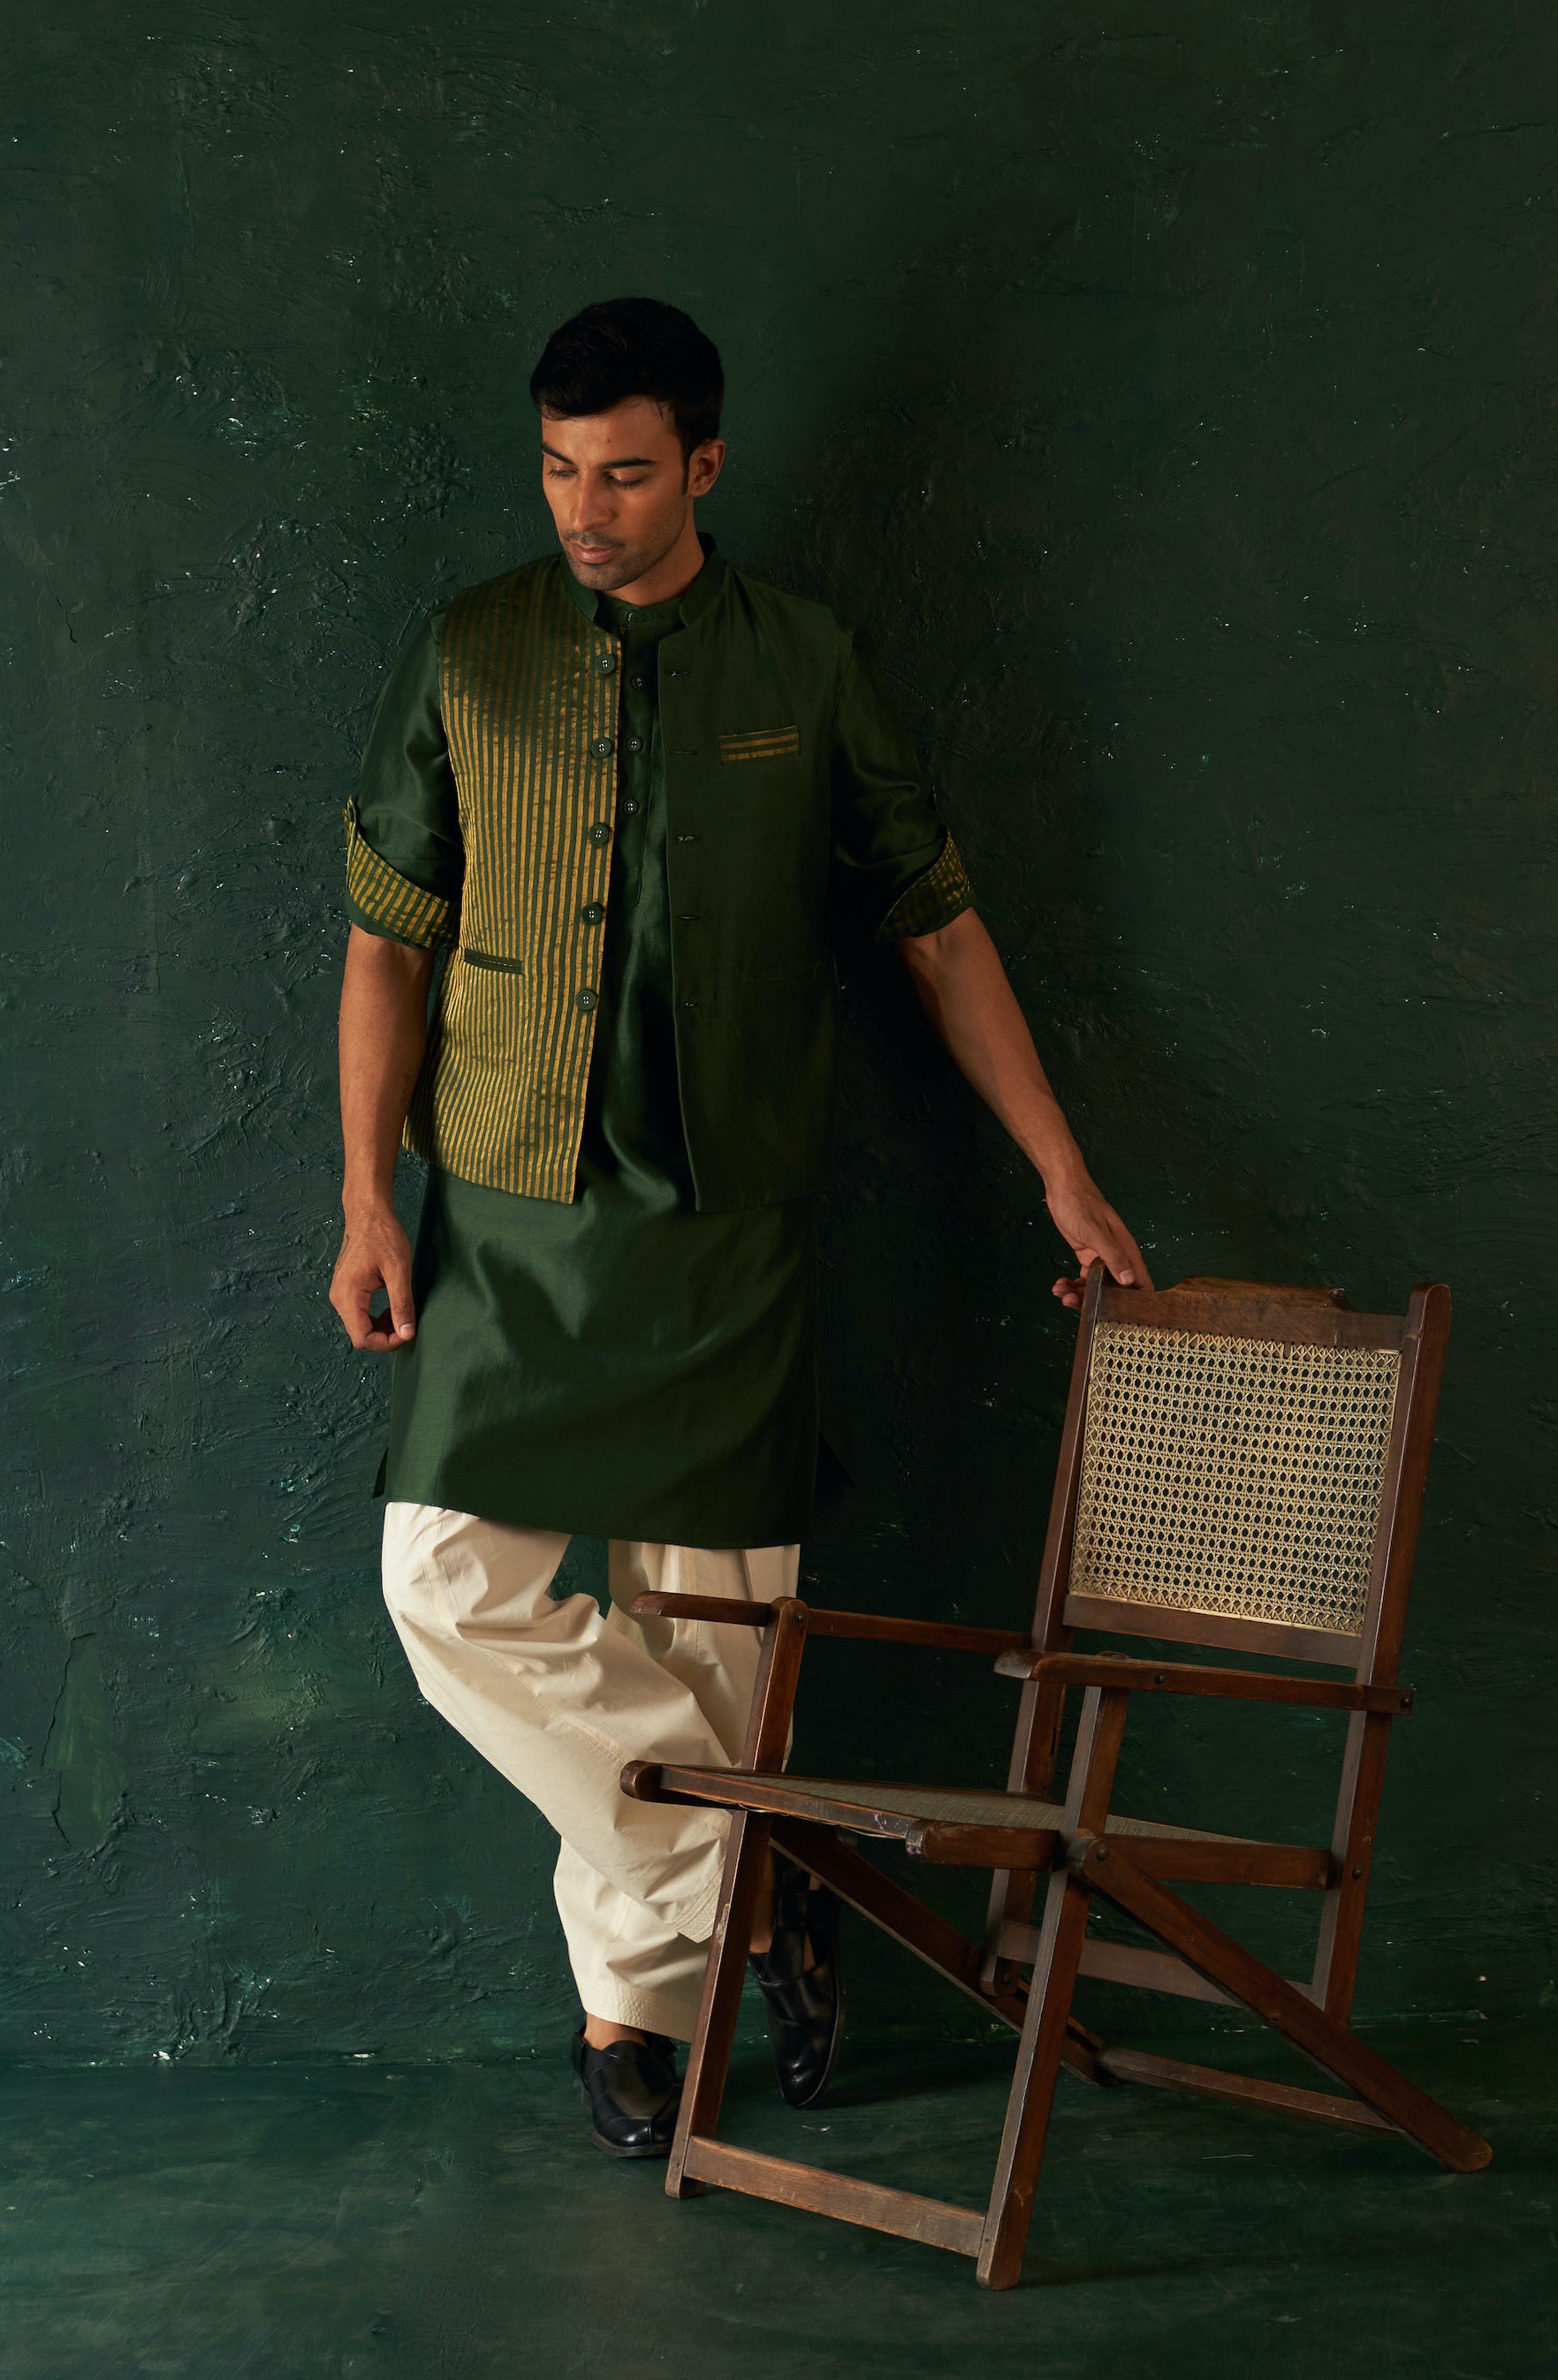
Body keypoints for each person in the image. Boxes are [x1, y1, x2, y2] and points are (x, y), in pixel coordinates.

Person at [329, 296, 1150, 2157]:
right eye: (559, 470)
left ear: (704, 463)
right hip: (510, 1215)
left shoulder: (806, 658)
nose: (585, 510)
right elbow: (388, 940)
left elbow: (934, 922)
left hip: (731, 1222)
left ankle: (636, 2009)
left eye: (625, 474)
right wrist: (367, 1195)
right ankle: (771, 1879)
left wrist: (1059, 1165)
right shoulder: (467, 651)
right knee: (443, 1588)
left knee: (719, 1636)